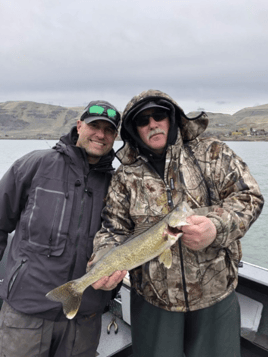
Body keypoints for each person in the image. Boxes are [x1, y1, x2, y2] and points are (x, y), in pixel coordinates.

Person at [92, 89, 264, 357]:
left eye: (158, 115)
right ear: (134, 130)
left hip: (215, 297)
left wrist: (216, 227)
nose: (152, 124)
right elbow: (113, 229)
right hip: (152, 301)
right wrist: (103, 258)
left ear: (172, 118)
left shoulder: (212, 152)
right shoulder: (125, 176)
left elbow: (249, 197)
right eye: (142, 120)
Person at [0, 100, 125, 357]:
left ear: (115, 137)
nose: (100, 134)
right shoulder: (35, 165)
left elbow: (122, 241)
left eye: (108, 130)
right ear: (79, 126)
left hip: (85, 319)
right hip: (27, 313)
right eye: (94, 126)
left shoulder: (118, 187)